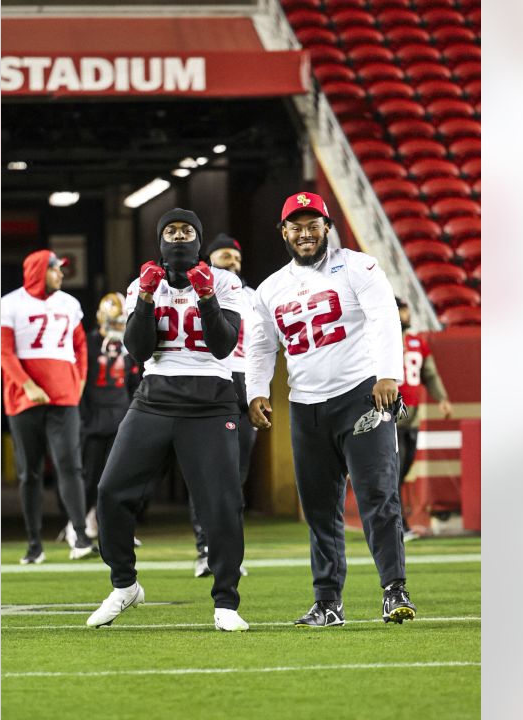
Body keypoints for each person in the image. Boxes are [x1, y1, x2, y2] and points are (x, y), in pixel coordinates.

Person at [247, 191, 417, 626]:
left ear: (327, 226)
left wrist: (387, 374)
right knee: (320, 510)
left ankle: (394, 590)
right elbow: (262, 344)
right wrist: (256, 390)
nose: (305, 233)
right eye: (296, 226)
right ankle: (328, 602)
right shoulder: (270, 288)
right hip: (306, 406)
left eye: (313, 224)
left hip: (360, 395)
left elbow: (383, 318)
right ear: (283, 232)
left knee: (378, 496)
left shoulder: (359, 266)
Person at [87, 209, 250, 632]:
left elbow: (223, 346)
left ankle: (226, 601)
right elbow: (139, 351)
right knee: (111, 491)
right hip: (155, 398)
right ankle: (125, 584)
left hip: (212, 401)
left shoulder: (227, 281)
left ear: (198, 237)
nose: (179, 237)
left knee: (222, 504)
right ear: (161, 240)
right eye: (171, 231)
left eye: (187, 230)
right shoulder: (143, 283)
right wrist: (142, 299)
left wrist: (207, 297)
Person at [0, 250, 96, 563]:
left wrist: (79, 381)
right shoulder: (10, 303)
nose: (61, 275)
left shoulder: (69, 303)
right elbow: (4, 351)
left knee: (70, 464)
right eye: (56, 269)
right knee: (30, 473)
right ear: (40, 270)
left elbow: (80, 346)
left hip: (63, 396)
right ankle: (33, 544)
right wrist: (27, 385)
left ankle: (80, 536)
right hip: (24, 398)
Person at [185, 233, 258, 578]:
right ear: (210, 258)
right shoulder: (191, 291)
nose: (234, 262)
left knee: (235, 476)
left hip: (246, 384)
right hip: (212, 380)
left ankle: (229, 551)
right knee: (203, 473)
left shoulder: (254, 297)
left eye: (238, 258)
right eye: (227, 256)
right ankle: (204, 547)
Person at [77, 292, 140, 546]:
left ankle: (114, 528)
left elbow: (135, 384)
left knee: (118, 478)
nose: (117, 328)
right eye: (113, 321)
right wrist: (84, 417)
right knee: (90, 476)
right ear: (101, 318)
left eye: (120, 322)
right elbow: (80, 382)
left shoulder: (129, 346)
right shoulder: (88, 343)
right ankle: (79, 522)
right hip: (94, 418)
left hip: (120, 416)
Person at [396, 296, 455, 542]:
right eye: (402, 311)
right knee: (393, 475)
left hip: (413, 415)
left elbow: (428, 373)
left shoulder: (417, 342)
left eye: (406, 311)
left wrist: (441, 397)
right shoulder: (378, 341)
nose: (406, 316)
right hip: (390, 416)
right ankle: (399, 528)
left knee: (401, 473)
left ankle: (398, 526)